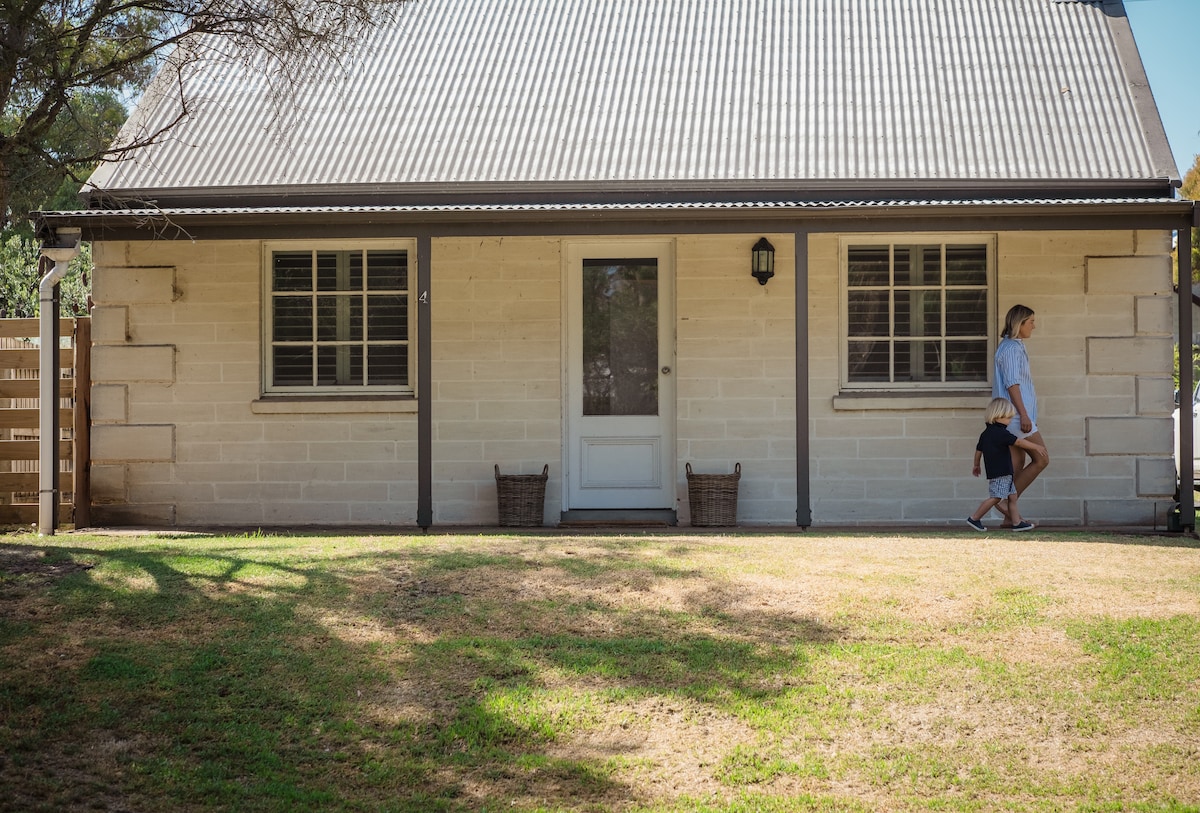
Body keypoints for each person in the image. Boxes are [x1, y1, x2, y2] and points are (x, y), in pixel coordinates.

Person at [993, 304, 1049, 521]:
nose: (1034, 326)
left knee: (1017, 465)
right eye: (1031, 322)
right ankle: (1006, 500)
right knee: (1042, 458)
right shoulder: (1010, 349)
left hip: (1017, 416)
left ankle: (1010, 518)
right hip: (1015, 417)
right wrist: (1024, 416)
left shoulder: (1014, 346)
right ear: (1019, 323)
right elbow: (1012, 384)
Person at [968, 398, 1047, 532]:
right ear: (998, 416)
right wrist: (1036, 446)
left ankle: (1016, 523)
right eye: (1008, 418)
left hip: (1003, 471)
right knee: (996, 498)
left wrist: (976, 465)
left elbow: (978, 450)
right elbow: (1019, 442)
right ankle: (974, 518)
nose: (1010, 421)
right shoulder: (1000, 433)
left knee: (1012, 496)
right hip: (1001, 472)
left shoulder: (986, 433)